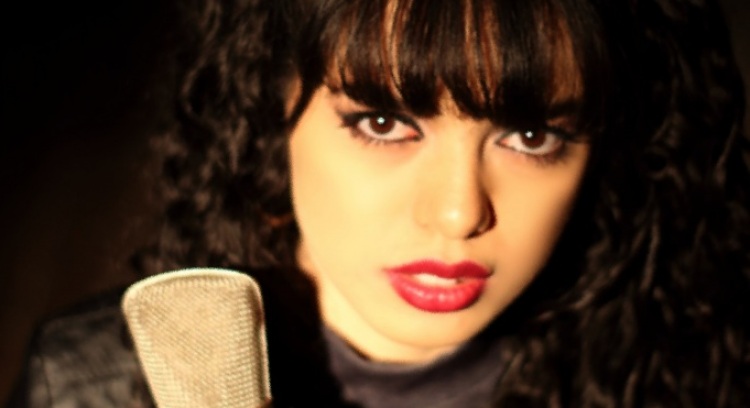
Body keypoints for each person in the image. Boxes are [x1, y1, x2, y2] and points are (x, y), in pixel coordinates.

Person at [9, 0, 749, 406]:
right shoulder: (88, 384)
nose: (457, 214)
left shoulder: (682, 374)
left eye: (530, 136)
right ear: (270, 106)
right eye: (385, 123)